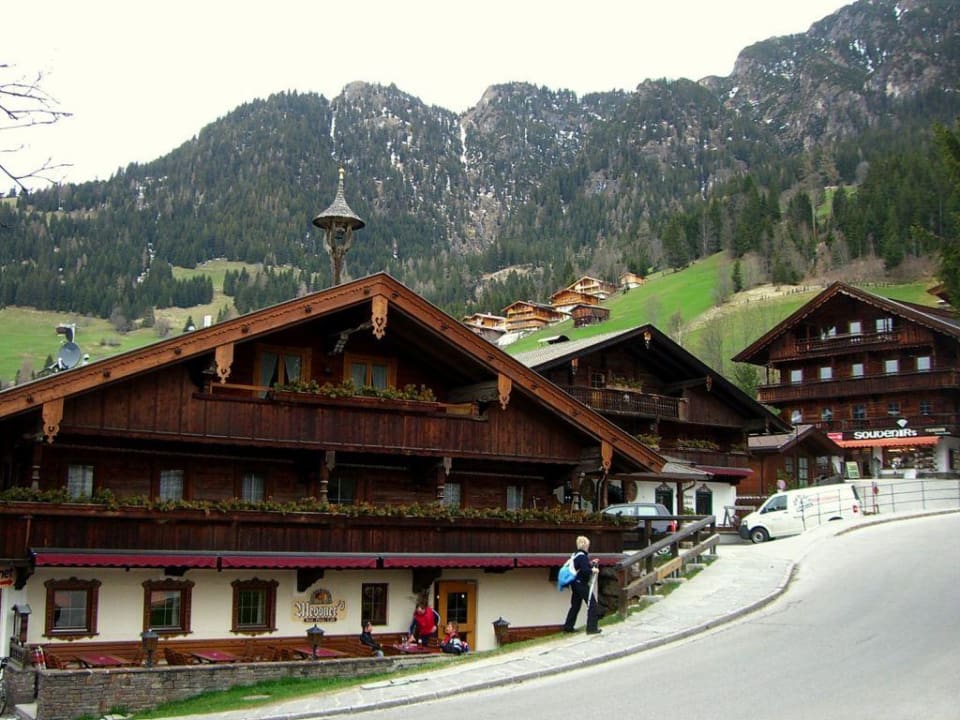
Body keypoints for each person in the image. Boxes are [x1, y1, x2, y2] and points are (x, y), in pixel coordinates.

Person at [562, 534, 601, 635]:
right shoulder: (583, 557)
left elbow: (580, 567)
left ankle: (568, 627)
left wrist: (591, 563)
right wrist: (593, 569)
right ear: (585, 546)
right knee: (592, 604)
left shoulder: (575, 555)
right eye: (588, 546)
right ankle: (592, 628)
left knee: (575, 605)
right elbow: (585, 571)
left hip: (575, 583)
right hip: (581, 584)